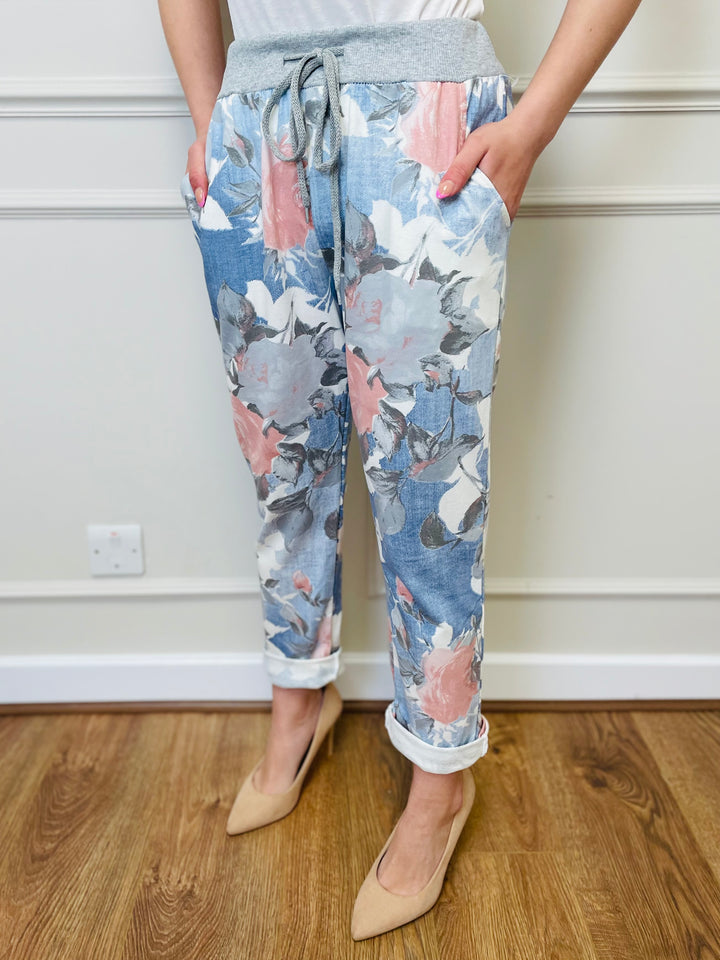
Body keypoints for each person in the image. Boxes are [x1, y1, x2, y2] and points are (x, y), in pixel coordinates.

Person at [158, 0, 643, 940]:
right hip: (256, 113)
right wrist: (212, 113)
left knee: (429, 479)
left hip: (428, 108)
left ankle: (441, 777)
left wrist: (533, 124)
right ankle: (299, 697)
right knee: (280, 450)